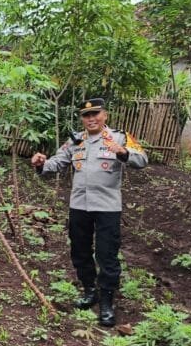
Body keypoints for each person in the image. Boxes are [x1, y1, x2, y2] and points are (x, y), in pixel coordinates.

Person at [31, 98, 147, 327]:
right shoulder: (75, 140)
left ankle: (106, 302)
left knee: (107, 254)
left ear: (105, 115)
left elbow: (142, 159)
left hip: (107, 208)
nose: (91, 119)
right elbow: (57, 162)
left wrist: (123, 152)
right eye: (86, 115)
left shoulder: (120, 137)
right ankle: (89, 291)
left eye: (95, 114)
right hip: (79, 206)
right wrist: (40, 163)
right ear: (82, 118)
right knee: (80, 251)